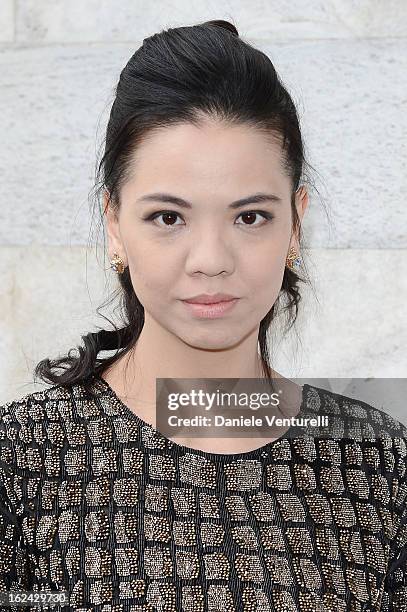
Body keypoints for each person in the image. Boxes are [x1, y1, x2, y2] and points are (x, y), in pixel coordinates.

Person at [1, 18, 406, 612]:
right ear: (114, 224)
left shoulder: (379, 463)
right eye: (168, 217)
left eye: (250, 217)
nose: (211, 261)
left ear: (296, 222)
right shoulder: (22, 461)